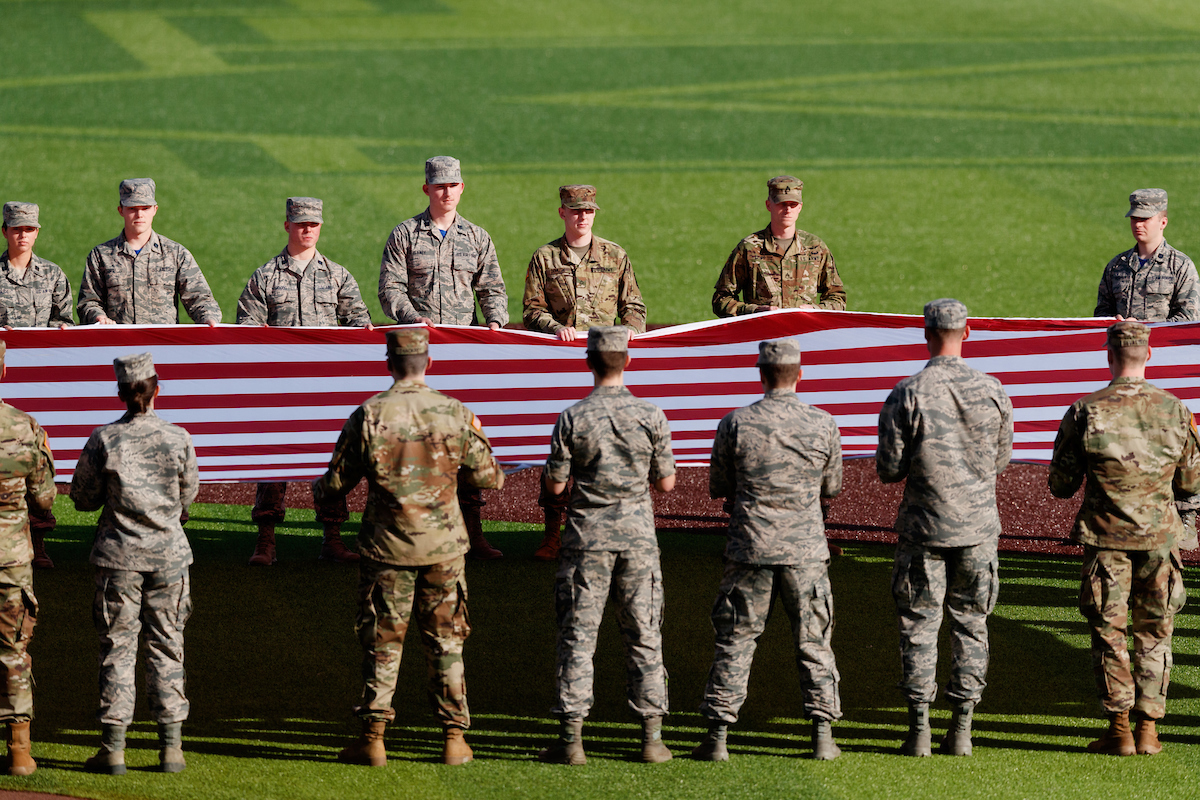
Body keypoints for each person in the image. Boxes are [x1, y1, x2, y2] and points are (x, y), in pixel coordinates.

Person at [315, 328, 504, 767]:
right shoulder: (454, 412)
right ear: (428, 363)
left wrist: (317, 487)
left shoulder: (370, 414)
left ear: (389, 363)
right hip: (444, 548)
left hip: (387, 548)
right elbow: (489, 477)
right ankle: (455, 739)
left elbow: (334, 486)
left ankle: (374, 738)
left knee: (382, 642)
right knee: (446, 640)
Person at [1048, 320, 1200, 756]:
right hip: (1159, 542)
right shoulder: (1176, 411)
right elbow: (1191, 483)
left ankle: (1119, 730)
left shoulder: (1085, 410)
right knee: (1155, 633)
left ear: (1109, 355)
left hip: (1105, 542)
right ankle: (1149, 730)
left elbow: (1060, 484)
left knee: (1109, 634)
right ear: (1148, 355)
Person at [693, 338, 843, 762]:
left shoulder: (735, 423)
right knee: (814, 642)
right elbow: (832, 487)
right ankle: (822, 736)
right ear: (800, 374)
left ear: (761, 374)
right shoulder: (822, 423)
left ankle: (718, 737)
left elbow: (719, 486)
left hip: (749, 548)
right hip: (806, 552)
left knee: (736, 640)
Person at [876, 299, 1013, 757]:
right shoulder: (993, 390)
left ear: (926, 333)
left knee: (918, 626)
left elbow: (890, 469)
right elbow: (1000, 461)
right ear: (967, 332)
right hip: (976, 529)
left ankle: (918, 730)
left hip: (924, 529)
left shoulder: (907, 392)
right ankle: (962, 729)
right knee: (971, 625)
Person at [537, 326, 676, 766]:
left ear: (589, 363)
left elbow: (556, 487)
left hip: (586, 539)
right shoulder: (652, 415)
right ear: (628, 361)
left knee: (578, 638)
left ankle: (572, 740)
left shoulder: (573, 417)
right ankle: (652, 739)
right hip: (637, 539)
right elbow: (667, 483)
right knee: (644, 636)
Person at [69, 353, 198, 775]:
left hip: (118, 560)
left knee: (117, 650)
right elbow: (187, 497)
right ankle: (171, 749)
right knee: (168, 645)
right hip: (169, 558)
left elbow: (84, 500)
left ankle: (114, 749)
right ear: (157, 388)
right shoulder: (178, 437)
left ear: (121, 392)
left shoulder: (104, 439)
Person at [378, 156, 507, 560]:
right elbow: (390, 289)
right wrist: (410, 317)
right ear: (427, 189)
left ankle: (472, 529)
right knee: (416, 439)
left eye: (453, 185)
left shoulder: (478, 237)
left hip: (463, 354)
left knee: (462, 436)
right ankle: (413, 528)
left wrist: (497, 321)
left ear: (462, 188)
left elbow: (492, 288)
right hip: (418, 356)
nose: (446, 192)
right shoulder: (404, 235)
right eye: (439, 186)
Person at [238, 197, 374, 567]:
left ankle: (332, 537)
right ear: (287, 225)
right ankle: (266, 541)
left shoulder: (338, 276)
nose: (307, 230)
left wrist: (361, 329)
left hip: (325, 390)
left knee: (331, 460)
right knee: (273, 461)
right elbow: (246, 329)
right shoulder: (265, 276)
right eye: (300, 224)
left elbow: (359, 324)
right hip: (278, 390)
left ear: (320, 226)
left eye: (313, 224)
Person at [522, 185, 648, 561]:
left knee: (608, 447)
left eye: (588, 211)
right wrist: (551, 326)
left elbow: (635, 306)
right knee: (560, 449)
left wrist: (631, 330)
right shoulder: (545, 258)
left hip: (606, 369)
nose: (582, 217)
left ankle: (608, 530)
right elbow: (531, 310)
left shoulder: (615, 255)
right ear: (562, 212)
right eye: (575, 211)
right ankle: (552, 534)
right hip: (563, 368)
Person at [1094, 188, 1200, 551]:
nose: (1138, 224)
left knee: (1176, 440)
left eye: (1145, 218)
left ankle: (1185, 516)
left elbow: (1189, 321)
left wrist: (1144, 326)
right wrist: (1116, 323)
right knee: (1127, 443)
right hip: (1127, 371)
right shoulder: (1117, 267)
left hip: (1166, 374)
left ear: (1163, 220)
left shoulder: (1180, 266)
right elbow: (1099, 317)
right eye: (1134, 218)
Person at [0, 201, 69, 569]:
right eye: (16, 229)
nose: (22, 235)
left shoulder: (53, 275)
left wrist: (62, 330)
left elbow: (65, 320)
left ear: (37, 232)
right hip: (2, 388)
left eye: (28, 229)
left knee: (39, 460)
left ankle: (39, 541)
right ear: (5, 232)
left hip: (42, 389)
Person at [0, 340, 56, 776]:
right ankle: (19, 751)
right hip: (11, 561)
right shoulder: (25, 427)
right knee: (12, 650)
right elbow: (43, 500)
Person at [77, 179, 222, 326]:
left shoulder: (176, 254)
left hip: (163, 345)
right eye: (132, 208)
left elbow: (200, 299)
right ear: (121, 210)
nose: (139, 214)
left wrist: (209, 319)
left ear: (155, 210)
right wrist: (99, 317)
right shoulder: (101, 255)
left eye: (145, 208)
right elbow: (88, 302)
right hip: (119, 344)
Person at [712, 176, 846, 318]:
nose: (788, 209)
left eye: (792, 204)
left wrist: (815, 310)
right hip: (762, 335)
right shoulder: (749, 248)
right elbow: (721, 300)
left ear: (800, 207)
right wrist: (754, 311)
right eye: (782, 203)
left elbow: (837, 298)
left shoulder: (816, 248)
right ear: (768, 205)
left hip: (803, 335)